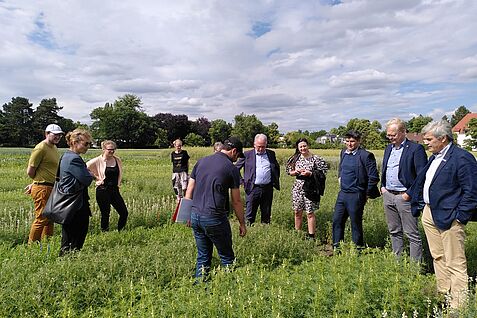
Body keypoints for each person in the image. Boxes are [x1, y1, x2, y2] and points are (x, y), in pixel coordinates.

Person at [409, 120, 477, 309]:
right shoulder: (435, 156)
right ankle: (443, 294)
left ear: (443, 138)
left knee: (455, 261)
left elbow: (472, 191)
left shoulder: (462, 158)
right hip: (430, 213)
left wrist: (460, 216)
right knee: (438, 256)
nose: (426, 143)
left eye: (429, 139)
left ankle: (458, 306)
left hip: (450, 217)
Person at [185, 137, 247, 281]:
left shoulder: (201, 161)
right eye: (237, 157)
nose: (237, 160)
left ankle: (200, 288)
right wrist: (242, 223)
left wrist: (187, 215)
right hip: (214, 218)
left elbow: (189, 190)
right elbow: (237, 201)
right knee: (226, 257)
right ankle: (227, 290)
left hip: (195, 216)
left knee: (203, 256)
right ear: (234, 151)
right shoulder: (232, 169)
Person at [381, 118, 427, 261]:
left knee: (411, 233)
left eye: (393, 135)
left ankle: (415, 269)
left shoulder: (415, 149)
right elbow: (385, 168)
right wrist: (383, 187)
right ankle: (398, 262)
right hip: (388, 194)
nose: (390, 138)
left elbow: (421, 176)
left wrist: (409, 194)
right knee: (394, 231)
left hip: (404, 196)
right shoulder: (388, 148)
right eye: (388, 135)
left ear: (403, 132)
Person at [332, 130, 379, 249]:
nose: (349, 144)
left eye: (352, 141)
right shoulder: (343, 152)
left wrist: (366, 194)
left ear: (358, 141)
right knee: (337, 221)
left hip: (356, 194)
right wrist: (340, 178)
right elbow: (341, 168)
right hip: (343, 193)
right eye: (347, 141)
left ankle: (358, 249)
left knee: (355, 223)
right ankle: (337, 247)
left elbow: (373, 177)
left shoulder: (366, 155)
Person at [25, 124, 64, 243]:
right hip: (43, 187)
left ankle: (47, 242)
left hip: (52, 186)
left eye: (60, 135)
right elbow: (30, 170)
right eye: (55, 134)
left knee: (50, 217)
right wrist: (37, 182)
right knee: (42, 217)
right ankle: (32, 246)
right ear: (47, 134)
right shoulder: (41, 148)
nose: (58, 137)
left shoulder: (54, 148)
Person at [59, 129, 94, 255]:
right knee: (75, 236)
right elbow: (87, 179)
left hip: (70, 201)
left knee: (69, 236)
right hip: (75, 204)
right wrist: (89, 174)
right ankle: (67, 262)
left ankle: (66, 261)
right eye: (86, 143)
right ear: (74, 142)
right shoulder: (74, 159)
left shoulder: (66, 155)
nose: (88, 147)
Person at [286, 138, 328, 239]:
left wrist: (310, 173)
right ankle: (297, 234)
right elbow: (288, 171)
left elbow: (323, 172)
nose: (303, 148)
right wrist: (295, 172)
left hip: (310, 188)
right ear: (298, 148)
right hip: (298, 188)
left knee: (309, 212)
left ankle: (311, 236)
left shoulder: (316, 159)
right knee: (297, 211)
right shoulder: (294, 158)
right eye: (300, 146)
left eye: (304, 146)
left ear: (308, 146)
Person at [236, 134, 280, 224]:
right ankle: (247, 233)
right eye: (259, 146)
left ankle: (265, 233)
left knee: (266, 214)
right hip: (252, 188)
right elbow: (235, 169)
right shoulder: (246, 155)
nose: (261, 149)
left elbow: (276, 168)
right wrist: (242, 182)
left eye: (263, 147)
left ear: (266, 144)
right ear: (254, 144)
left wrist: (274, 180)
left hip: (267, 188)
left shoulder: (271, 154)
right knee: (250, 214)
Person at [87, 140, 128, 231]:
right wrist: (96, 178)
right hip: (102, 190)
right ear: (103, 149)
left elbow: (119, 173)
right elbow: (85, 168)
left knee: (124, 212)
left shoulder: (117, 160)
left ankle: (121, 231)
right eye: (109, 149)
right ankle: (104, 232)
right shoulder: (98, 160)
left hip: (114, 190)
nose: (112, 151)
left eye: (114, 149)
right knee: (105, 213)